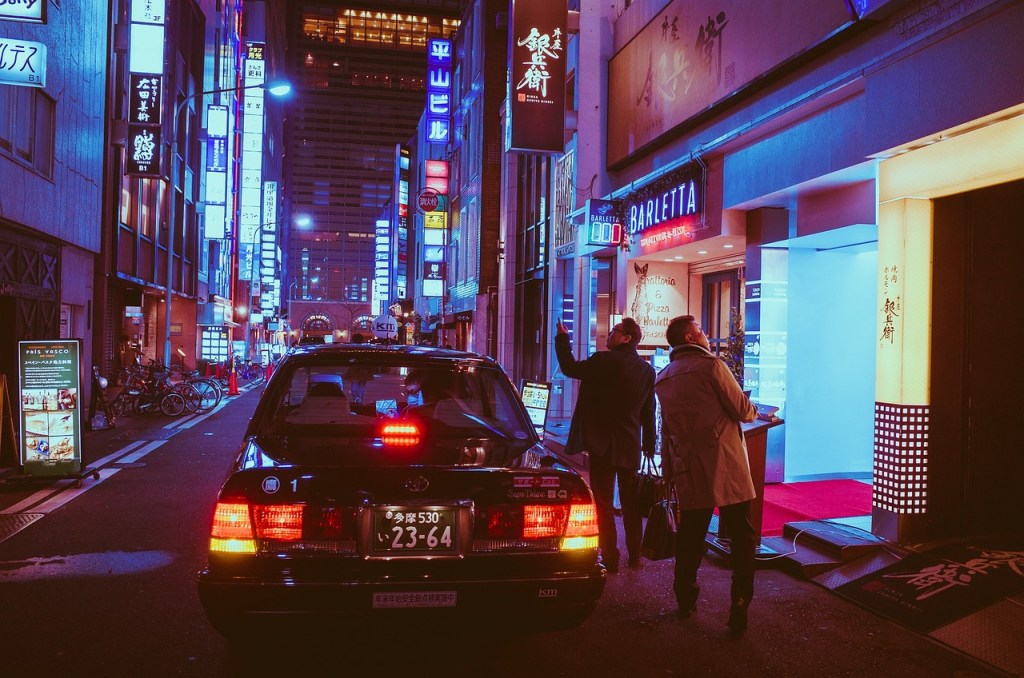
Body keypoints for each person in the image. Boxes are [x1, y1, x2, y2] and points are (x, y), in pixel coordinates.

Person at [654, 314, 757, 634]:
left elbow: (667, 430)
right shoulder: (712, 367)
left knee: (691, 535)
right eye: (699, 329)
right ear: (688, 337)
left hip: (687, 466)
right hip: (725, 465)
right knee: (740, 534)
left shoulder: (664, 377)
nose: (706, 333)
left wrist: (669, 472)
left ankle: (685, 596)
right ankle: (739, 601)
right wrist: (754, 409)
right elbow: (742, 410)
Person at [554, 317, 656, 573]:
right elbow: (648, 410)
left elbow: (568, 368)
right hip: (629, 443)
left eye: (614, 331)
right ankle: (635, 555)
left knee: (603, 501)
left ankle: (610, 555)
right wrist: (649, 443)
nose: (608, 335)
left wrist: (563, 338)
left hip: (601, 443)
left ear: (626, 337)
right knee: (631, 503)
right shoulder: (646, 370)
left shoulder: (601, 361)